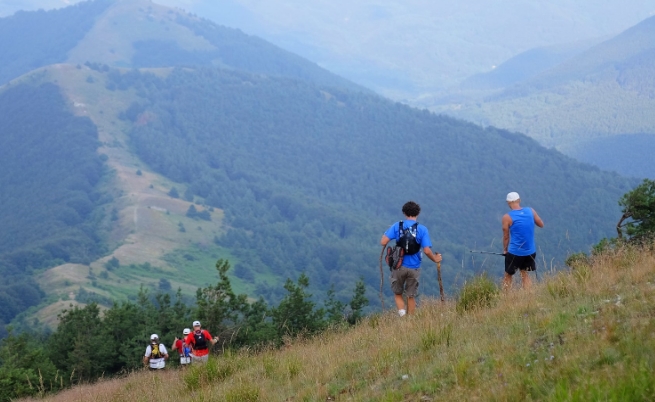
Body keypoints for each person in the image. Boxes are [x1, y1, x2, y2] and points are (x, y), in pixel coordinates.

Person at [380, 201, 442, 316]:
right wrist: (435, 259)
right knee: (411, 295)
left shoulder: (397, 226)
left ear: (404, 212)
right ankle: (411, 321)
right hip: (414, 267)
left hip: (398, 266)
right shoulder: (422, 229)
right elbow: (427, 250)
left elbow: (383, 242)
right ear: (418, 213)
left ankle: (402, 314)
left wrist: (388, 233)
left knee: (398, 293)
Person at [502, 192, 544, 290]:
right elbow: (541, 224)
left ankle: (505, 298)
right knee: (524, 273)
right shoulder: (531, 211)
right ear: (519, 200)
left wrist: (505, 250)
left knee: (508, 275)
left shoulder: (507, 217)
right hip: (530, 251)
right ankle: (528, 297)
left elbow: (506, 236)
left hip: (515, 252)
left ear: (508, 202)